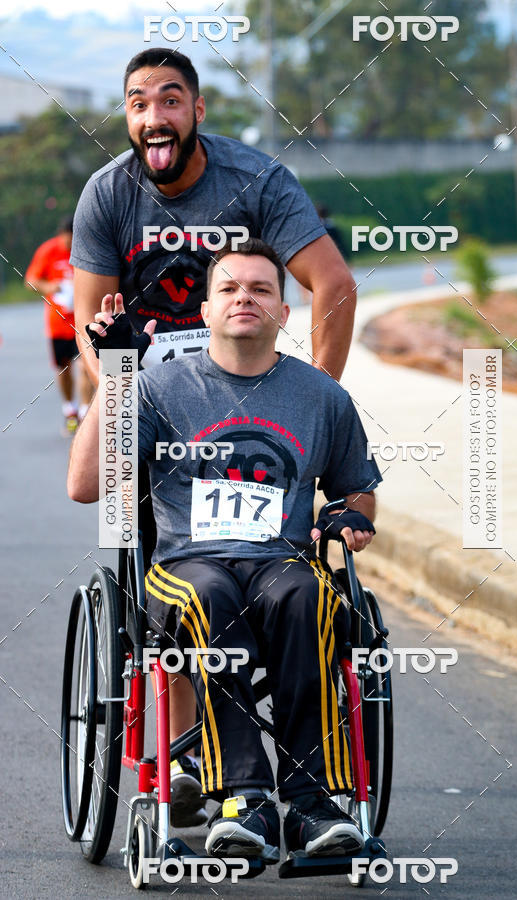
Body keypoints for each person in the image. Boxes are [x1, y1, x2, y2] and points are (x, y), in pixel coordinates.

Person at [70, 46, 357, 821]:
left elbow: (331, 283)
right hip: (153, 396)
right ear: (128, 117)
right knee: (179, 564)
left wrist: (317, 403)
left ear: (197, 111)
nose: (154, 115)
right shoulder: (108, 196)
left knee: (288, 582)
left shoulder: (256, 182)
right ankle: (192, 749)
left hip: (255, 397)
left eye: (170, 100)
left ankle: (296, 785)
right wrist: (136, 411)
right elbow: (93, 331)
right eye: (138, 102)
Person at [67, 239, 381, 863]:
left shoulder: (322, 398)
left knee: (310, 596)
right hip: (185, 567)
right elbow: (84, 486)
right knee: (211, 595)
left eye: (262, 290)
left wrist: (349, 517)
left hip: (282, 565)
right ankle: (244, 800)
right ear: (205, 311)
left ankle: (313, 807)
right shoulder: (159, 388)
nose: (246, 299)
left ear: (284, 314)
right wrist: (118, 372)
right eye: (230, 289)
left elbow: (357, 492)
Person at [24, 216, 93, 434]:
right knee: (64, 369)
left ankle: (84, 413)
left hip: (83, 323)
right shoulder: (48, 251)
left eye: (74, 241)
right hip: (58, 325)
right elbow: (30, 281)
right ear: (61, 235)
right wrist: (50, 287)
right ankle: (69, 409)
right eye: (67, 241)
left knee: (85, 367)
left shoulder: (89, 248)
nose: (70, 246)